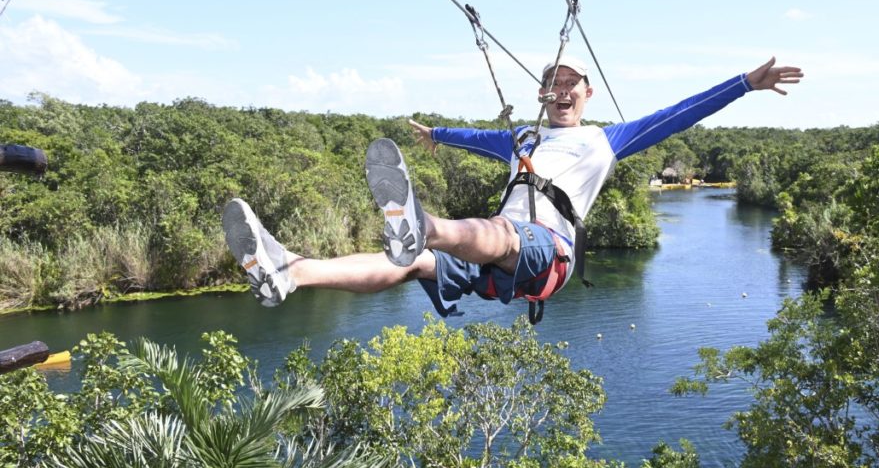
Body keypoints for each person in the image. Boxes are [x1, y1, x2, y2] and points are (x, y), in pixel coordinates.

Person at [222, 55, 803, 319]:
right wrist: (436, 135)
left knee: (492, 231)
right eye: (553, 85)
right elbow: (477, 137)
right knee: (409, 265)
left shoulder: (607, 140)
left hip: (549, 253)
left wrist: (745, 84)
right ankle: (291, 272)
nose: (562, 91)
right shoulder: (521, 137)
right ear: (544, 96)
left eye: (572, 84)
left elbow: (680, 113)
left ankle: (419, 227)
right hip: (503, 269)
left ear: (588, 93)